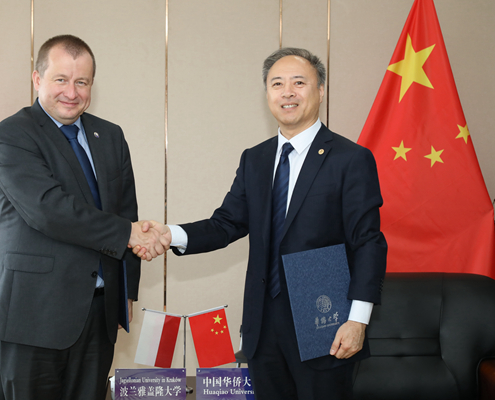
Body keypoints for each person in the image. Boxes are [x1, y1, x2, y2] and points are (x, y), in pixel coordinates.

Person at [136, 48, 387, 399]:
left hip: (324, 323)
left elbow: (368, 242)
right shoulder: (255, 159)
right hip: (262, 327)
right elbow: (226, 224)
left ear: (320, 90)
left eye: (299, 83)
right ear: (267, 93)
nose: (287, 92)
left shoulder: (350, 159)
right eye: (277, 84)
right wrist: (170, 234)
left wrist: (357, 319)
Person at [0, 34, 168, 400]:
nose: (72, 92)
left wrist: (126, 290)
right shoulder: (14, 134)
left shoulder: (110, 136)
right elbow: (48, 209)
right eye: (61, 80)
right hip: (32, 314)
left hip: (98, 313)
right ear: (37, 79)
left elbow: (126, 211)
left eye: (82, 82)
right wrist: (130, 234)